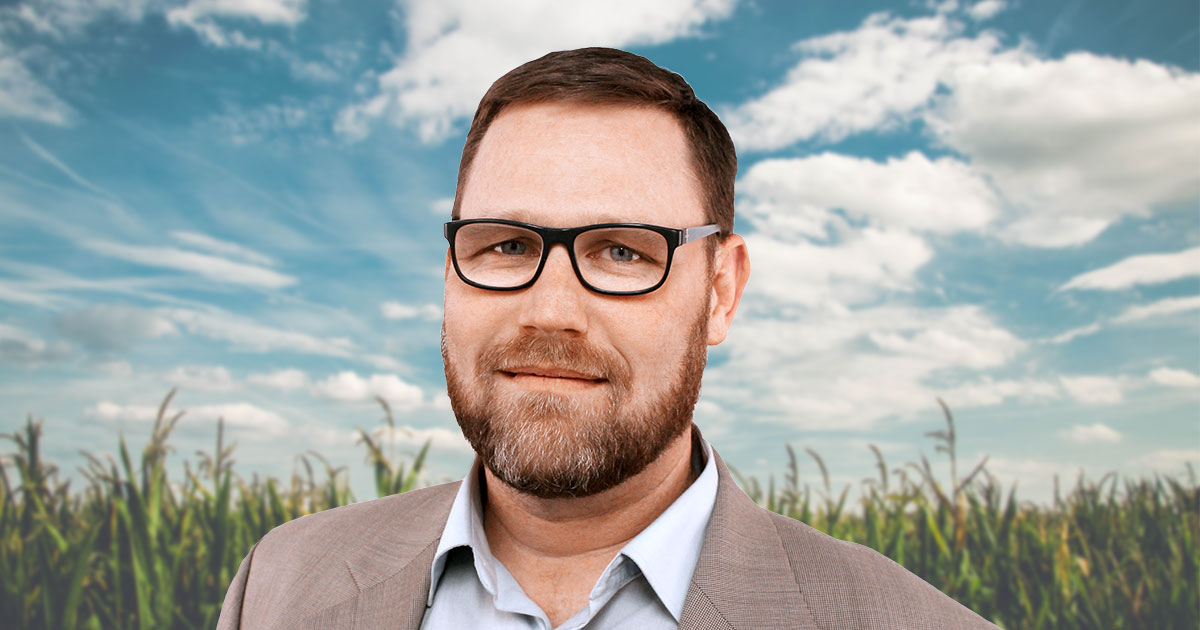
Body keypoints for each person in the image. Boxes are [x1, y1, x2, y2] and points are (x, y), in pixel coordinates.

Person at [217, 47, 1000, 630]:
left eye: (624, 252)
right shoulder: (279, 586)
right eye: (507, 245)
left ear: (721, 292)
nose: (550, 311)